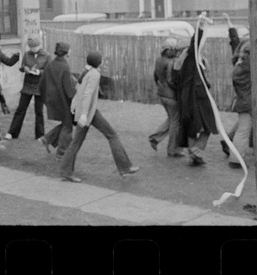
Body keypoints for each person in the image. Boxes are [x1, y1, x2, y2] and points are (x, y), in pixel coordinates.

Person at [59, 51, 140, 182]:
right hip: (88, 112)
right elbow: (87, 95)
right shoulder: (95, 74)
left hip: (85, 111)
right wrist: (84, 115)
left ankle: (65, 171)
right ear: (99, 62)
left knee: (76, 142)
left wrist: (76, 109)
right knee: (112, 136)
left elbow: (79, 90)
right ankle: (125, 166)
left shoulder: (86, 72)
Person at [173, 14, 218, 165]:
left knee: (194, 128)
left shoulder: (181, 63)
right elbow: (195, 45)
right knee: (207, 126)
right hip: (195, 99)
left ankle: (195, 155)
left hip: (190, 99)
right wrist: (199, 28)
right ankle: (195, 152)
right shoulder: (189, 60)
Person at [37, 42, 78, 158]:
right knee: (68, 125)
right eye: (69, 49)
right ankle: (61, 152)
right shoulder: (64, 66)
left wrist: (46, 97)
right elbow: (68, 87)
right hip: (63, 100)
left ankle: (47, 138)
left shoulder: (51, 64)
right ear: (66, 52)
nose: (71, 51)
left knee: (66, 122)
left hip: (52, 99)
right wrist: (75, 98)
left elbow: (42, 83)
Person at [5, 37, 49, 142]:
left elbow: (49, 70)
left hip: (40, 85)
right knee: (21, 109)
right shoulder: (27, 54)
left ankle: (40, 134)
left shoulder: (47, 56)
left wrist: (39, 72)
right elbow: (22, 66)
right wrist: (25, 69)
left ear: (40, 45)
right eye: (31, 47)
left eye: (35, 47)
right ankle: (12, 132)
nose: (33, 49)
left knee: (39, 111)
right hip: (28, 84)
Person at [147, 37, 185, 157]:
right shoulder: (171, 62)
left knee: (172, 119)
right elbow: (170, 80)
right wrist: (179, 88)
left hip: (162, 94)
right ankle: (172, 150)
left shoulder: (159, 60)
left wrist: (160, 88)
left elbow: (155, 76)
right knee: (175, 122)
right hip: (171, 96)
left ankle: (155, 138)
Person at [223, 15, 252, 169]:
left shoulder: (239, 62)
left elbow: (234, 39)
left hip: (244, 99)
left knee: (243, 126)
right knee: (244, 129)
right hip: (247, 100)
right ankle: (235, 159)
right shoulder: (245, 68)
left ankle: (228, 143)